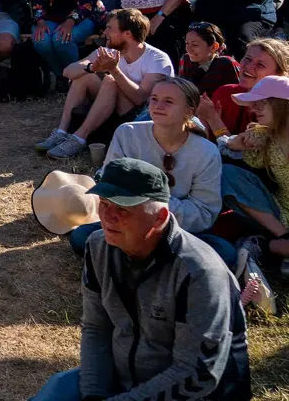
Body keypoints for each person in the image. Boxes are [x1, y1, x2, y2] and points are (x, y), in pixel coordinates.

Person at [14, 158, 249, 401]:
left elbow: (196, 374)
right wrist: (95, 399)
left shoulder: (199, 271)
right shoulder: (98, 247)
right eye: (105, 204)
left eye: (124, 209)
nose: (108, 217)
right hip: (122, 380)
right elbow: (96, 327)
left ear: (160, 217)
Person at [67, 78, 229, 264]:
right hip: (129, 221)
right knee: (81, 237)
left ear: (189, 112)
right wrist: (138, 213)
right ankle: (159, 260)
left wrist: (153, 208)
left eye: (168, 101)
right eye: (154, 98)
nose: (158, 105)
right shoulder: (127, 133)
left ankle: (141, 258)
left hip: (179, 229)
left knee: (224, 252)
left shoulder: (206, 152)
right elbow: (112, 183)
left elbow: (204, 212)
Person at [38, 9, 174, 161]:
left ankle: (79, 138)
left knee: (110, 81)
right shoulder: (109, 51)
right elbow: (67, 72)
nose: (104, 32)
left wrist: (114, 70)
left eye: (110, 28)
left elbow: (141, 99)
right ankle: (61, 131)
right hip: (111, 105)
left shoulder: (157, 59)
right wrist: (91, 68)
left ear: (127, 34)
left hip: (139, 116)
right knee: (83, 77)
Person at [178, 22, 239, 97]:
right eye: (187, 43)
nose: (188, 49)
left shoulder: (226, 64)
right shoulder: (186, 60)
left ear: (214, 47)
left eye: (195, 44)